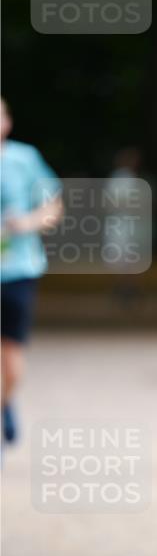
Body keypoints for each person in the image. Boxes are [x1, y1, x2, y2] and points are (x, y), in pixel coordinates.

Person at [1, 97, 62, 443]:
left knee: (11, 363)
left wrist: (28, 222)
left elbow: (54, 207)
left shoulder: (24, 160)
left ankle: (5, 402)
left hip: (17, 271)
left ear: (7, 122)